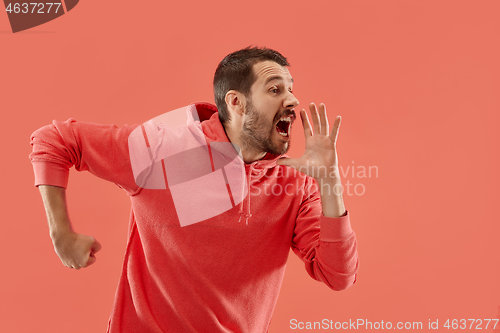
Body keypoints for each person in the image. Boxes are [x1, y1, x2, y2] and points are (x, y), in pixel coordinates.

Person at [30, 46, 359, 333]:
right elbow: (54, 139)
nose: (293, 100)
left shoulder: (295, 183)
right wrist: (62, 234)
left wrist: (329, 180)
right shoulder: (165, 148)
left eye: (291, 89)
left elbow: (337, 275)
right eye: (275, 90)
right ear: (236, 103)